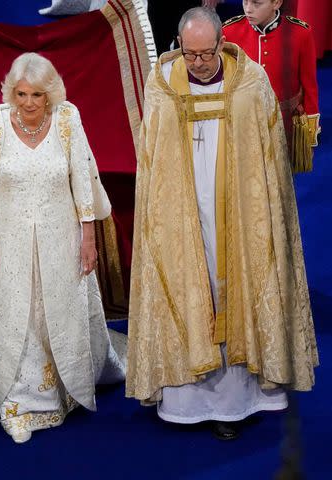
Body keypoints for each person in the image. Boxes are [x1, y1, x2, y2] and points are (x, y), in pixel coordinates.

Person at [126, 7, 317, 440]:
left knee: (237, 285)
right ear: (179, 46)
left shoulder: (249, 83)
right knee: (189, 287)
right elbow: (151, 161)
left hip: (239, 216)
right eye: (190, 54)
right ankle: (186, 399)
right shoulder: (162, 87)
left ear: (220, 44)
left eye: (206, 54)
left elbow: (269, 161)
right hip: (183, 214)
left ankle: (236, 402)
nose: (198, 63)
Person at [0, 53, 126, 444]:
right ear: (11, 92)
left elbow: (82, 183)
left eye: (38, 94)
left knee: (55, 313)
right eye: (21, 94)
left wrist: (88, 239)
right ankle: (17, 402)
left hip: (62, 240)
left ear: (51, 93)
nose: (29, 103)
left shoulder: (68, 119)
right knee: (16, 314)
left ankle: (64, 390)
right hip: (8, 243)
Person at [223, 0, 320, 172]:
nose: (248, 9)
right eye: (245, 1)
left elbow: (310, 88)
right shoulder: (229, 32)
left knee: (284, 181)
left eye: (256, 3)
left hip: (286, 125)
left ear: (276, 3)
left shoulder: (300, 33)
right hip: (244, 123)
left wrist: (309, 137)